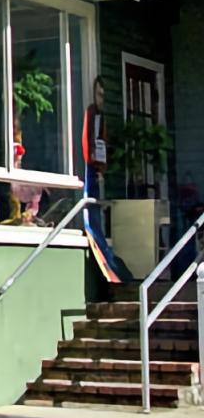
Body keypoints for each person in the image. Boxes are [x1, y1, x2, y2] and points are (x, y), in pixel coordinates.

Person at [82, 76, 125, 280]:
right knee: (91, 207)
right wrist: (90, 161)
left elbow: (102, 141)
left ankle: (106, 254)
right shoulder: (91, 113)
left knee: (96, 207)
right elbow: (86, 139)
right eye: (99, 94)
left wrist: (102, 168)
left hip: (97, 168)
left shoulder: (102, 116)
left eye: (104, 96)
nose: (101, 100)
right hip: (89, 167)